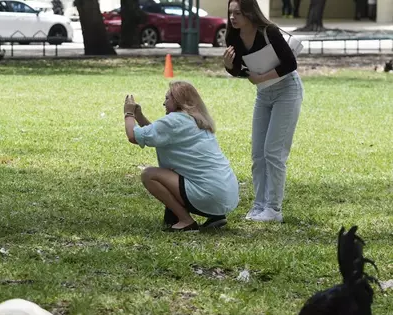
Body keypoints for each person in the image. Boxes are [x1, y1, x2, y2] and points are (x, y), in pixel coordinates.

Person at [223, 0, 303, 223]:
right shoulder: (233, 37)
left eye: (238, 13)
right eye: (230, 13)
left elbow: (290, 63)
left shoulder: (269, 32)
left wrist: (261, 78)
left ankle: (274, 209)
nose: (233, 17)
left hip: (287, 91)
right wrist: (229, 67)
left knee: (273, 152)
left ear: (250, 13)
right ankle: (259, 206)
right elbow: (240, 70)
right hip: (263, 95)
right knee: (258, 154)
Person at [124, 81, 239, 232]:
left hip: (208, 195)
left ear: (177, 100)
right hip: (225, 194)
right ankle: (215, 216)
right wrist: (139, 116)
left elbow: (133, 136)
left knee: (149, 174)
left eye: (167, 98)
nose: (163, 103)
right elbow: (157, 134)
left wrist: (129, 113)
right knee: (175, 173)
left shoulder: (175, 120)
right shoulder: (196, 119)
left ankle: (186, 221)